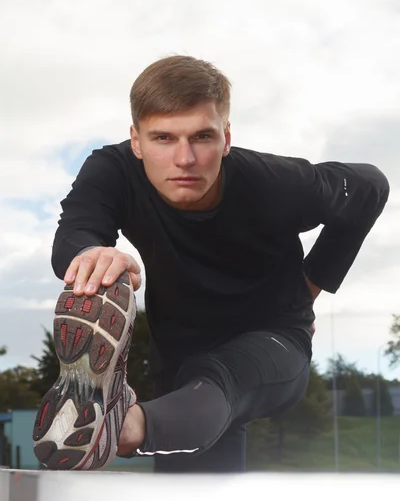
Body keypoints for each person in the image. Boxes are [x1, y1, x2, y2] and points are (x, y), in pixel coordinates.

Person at [32, 55, 389, 473]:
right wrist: (89, 252)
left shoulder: (273, 183)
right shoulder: (113, 170)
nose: (185, 159)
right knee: (192, 494)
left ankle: (123, 426)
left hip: (273, 340)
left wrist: (311, 285)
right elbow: (77, 228)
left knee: (220, 380)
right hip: (181, 354)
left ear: (226, 138)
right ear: (136, 140)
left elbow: (369, 186)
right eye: (163, 138)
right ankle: (131, 423)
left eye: (202, 136)